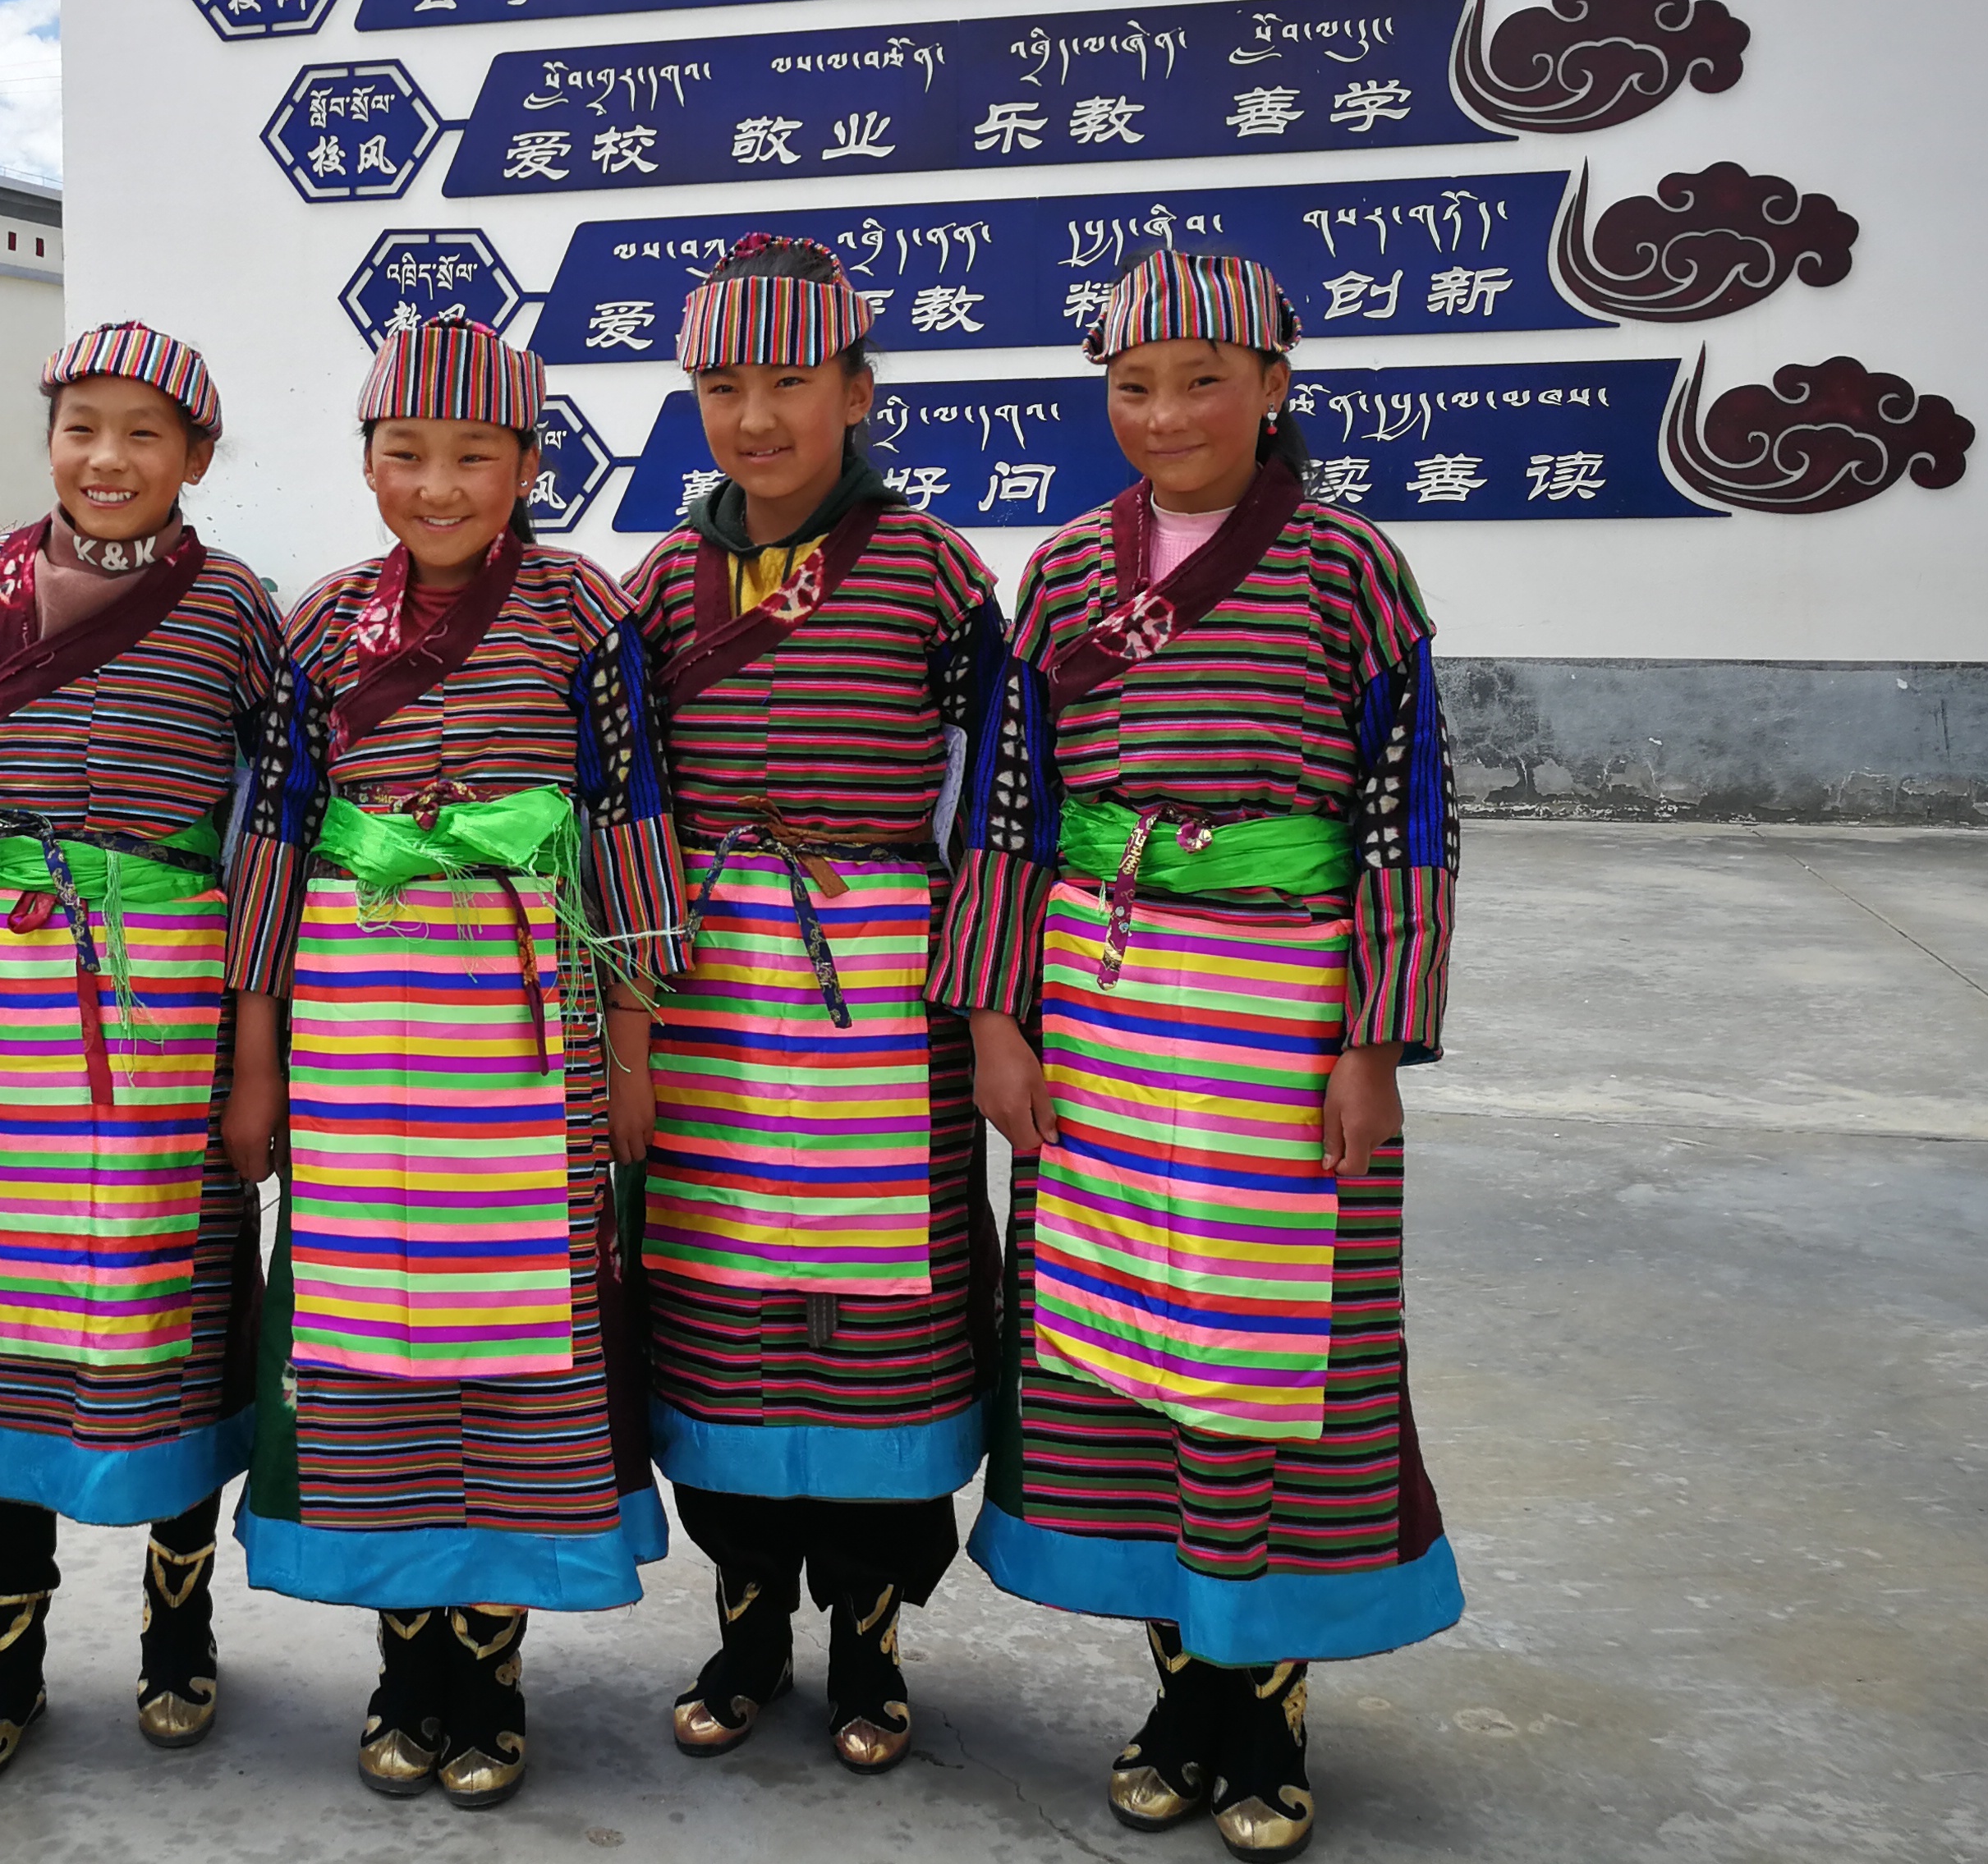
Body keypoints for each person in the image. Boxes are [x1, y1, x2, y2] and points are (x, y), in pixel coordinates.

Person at [951, 250, 1463, 1862]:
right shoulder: (1057, 576)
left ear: (1274, 386)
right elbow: (1010, 811)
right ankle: (1178, 1690)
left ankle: (1266, 1704)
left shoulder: (1348, 571)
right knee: (1121, 1350)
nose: (1163, 413)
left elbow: (1407, 812)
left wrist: (1371, 1042)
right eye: (1131, 383)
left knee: (1269, 1354)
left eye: (1199, 377)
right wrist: (991, 1016)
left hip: (1280, 1013)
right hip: (1099, 1006)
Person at [215, 310, 690, 1811]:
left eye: (473, 454)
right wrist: (251, 1051)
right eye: (405, 453)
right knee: (373, 1338)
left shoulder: (582, 619)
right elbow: (276, 842)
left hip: (524, 1022)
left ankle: (493, 1658)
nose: (437, 484)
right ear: (365, 464)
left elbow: (625, 825)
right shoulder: (316, 625)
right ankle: (403, 1655)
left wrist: (632, 1039)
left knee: (513, 1329)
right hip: (359, 1036)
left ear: (530, 464)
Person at [622, 236, 1017, 1774]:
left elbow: (1001, 806)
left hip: (886, 999)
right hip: (713, 988)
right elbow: (625, 811)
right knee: (719, 1312)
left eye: (789, 381)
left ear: (857, 389)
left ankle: (869, 1635)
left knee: (882, 1316)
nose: (755, 417)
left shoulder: (935, 573)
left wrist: (988, 1009)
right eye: (722, 386)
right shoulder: (659, 585)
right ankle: (745, 1624)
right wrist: (633, 1025)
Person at [0, 324, 282, 1791]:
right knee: (13, 1311)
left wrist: (259, 1033)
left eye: (144, 436)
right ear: (48, 434)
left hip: (172, 988)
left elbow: (271, 816)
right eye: (81, 428)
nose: (106, 460)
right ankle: (11, 1655)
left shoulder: (239, 610)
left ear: (196, 461)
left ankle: (182, 1628)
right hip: (9, 996)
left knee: (167, 1297)